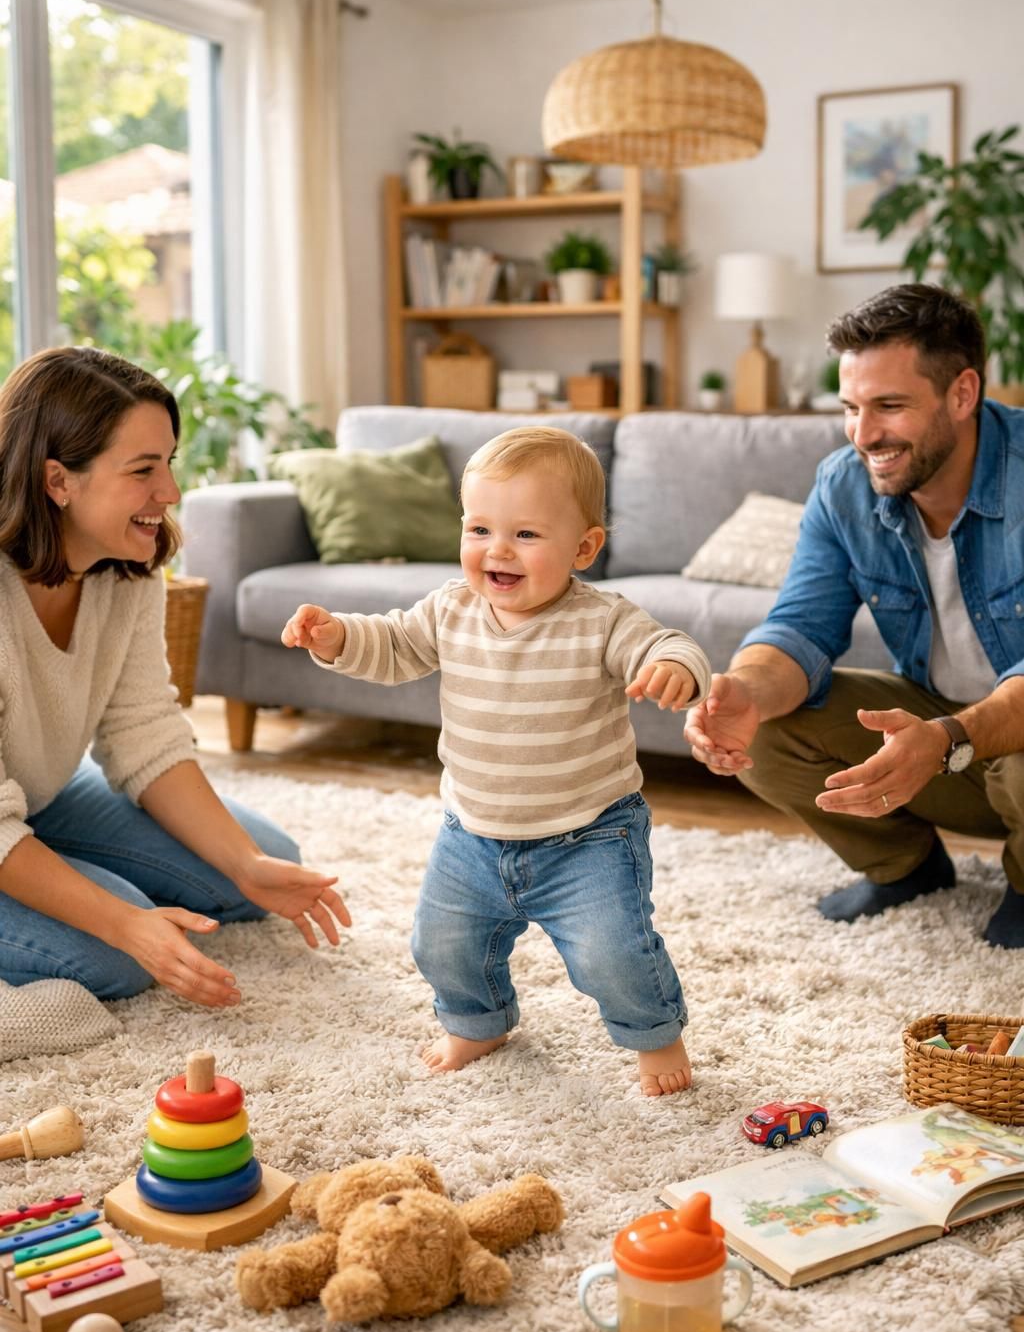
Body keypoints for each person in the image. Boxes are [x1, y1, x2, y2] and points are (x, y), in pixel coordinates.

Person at [282, 427, 711, 1096]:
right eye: (479, 528)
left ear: (584, 548)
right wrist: (336, 637)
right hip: (472, 834)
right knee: (441, 943)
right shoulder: (452, 608)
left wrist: (671, 668)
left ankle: (655, 1036)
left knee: (613, 953)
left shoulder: (600, 620)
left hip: (589, 836)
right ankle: (479, 1021)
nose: (496, 551)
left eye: (526, 535)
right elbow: (392, 644)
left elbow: (668, 641)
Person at [0, 345, 350, 1007]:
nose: (170, 493)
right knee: (118, 954)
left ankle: (62, 872)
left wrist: (244, 865)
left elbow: (144, 732)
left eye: (169, 464)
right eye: (142, 470)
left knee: (258, 864)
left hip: (34, 790)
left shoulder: (127, 568)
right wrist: (125, 922)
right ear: (58, 481)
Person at [684, 283, 1024, 946]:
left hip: (1004, 738)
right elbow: (800, 627)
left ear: (962, 393)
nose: (864, 435)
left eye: (890, 407)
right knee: (763, 726)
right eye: (851, 408)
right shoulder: (843, 485)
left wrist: (951, 735)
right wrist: (744, 691)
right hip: (942, 739)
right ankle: (905, 867)